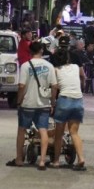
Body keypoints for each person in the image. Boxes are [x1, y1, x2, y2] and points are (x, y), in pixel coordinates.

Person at [8, 40, 57, 169]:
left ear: (30, 51)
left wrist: (18, 101)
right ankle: (41, 161)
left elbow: (21, 86)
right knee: (43, 131)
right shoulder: (49, 66)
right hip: (43, 104)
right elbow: (55, 86)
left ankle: (19, 159)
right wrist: (52, 101)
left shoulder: (25, 66)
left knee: (22, 130)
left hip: (27, 104)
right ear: (41, 51)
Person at [47, 44, 86, 170]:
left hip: (64, 101)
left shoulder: (56, 70)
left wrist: (52, 102)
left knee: (59, 134)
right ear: (68, 58)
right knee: (74, 132)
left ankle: (56, 161)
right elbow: (82, 76)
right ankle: (81, 158)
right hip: (78, 100)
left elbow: (55, 86)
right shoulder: (75, 67)